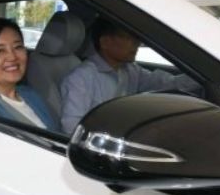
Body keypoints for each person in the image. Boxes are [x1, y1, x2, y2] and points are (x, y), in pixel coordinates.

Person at [60, 18, 198, 133]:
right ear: (105, 42)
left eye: (136, 38)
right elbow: (72, 126)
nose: (137, 43)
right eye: (128, 37)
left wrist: (198, 78)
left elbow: (166, 83)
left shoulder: (130, 70)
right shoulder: (81, 78)